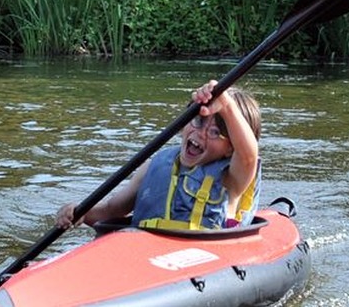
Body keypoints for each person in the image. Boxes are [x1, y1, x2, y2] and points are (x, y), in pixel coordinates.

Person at [55, 80, 262, 230]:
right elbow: (112, 210)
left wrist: (227, 106)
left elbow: (248, 155)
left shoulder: (232, 177)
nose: (200, 133)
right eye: (198, 121)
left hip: (201, 260)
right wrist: (80, 212)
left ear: (231, 147)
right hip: (148, 253)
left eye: (216, 132)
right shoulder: (155, 165)